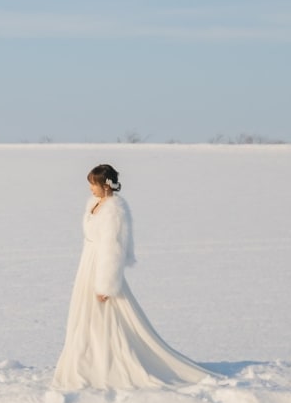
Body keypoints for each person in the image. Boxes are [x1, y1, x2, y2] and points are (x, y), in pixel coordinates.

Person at [52, 164, 215, 390]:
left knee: (108, 315)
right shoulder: (95, 204)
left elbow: (113, 249)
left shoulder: (114, 211)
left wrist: (105, 285)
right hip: (87, 263)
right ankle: (86, 359)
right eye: (89, 183)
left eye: (93, 183)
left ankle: (108, 363)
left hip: (100, 265)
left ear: (105, 185)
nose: (90, 188)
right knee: (85, 315)